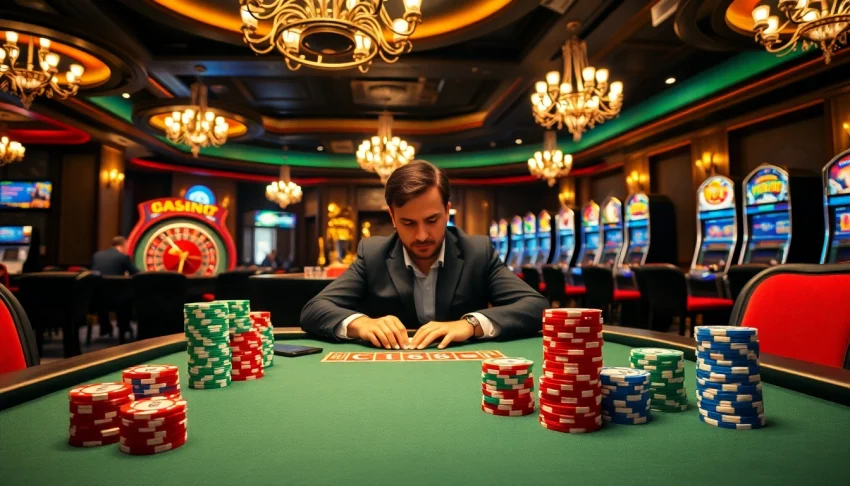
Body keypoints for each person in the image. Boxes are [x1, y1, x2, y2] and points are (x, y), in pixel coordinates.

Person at [300, 160, 548, 350]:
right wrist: (362, 324)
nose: (421, 235)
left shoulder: (477, 251)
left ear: (447, 210)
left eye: (432, 220)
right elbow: (313, 310)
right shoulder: (373, 254)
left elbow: (537, 307)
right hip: (391, 375)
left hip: (461, 373)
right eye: (408, 223)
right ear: (392, 217)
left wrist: (470, 325)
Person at [91, 236, 139, 339]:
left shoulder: (97, 256)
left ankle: (105, 327)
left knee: (103, 293)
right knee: (126, 298)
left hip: (95, 299)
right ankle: (124, 327)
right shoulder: (122, 257)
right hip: (118, 300)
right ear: (123, 245)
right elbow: (137, 273)